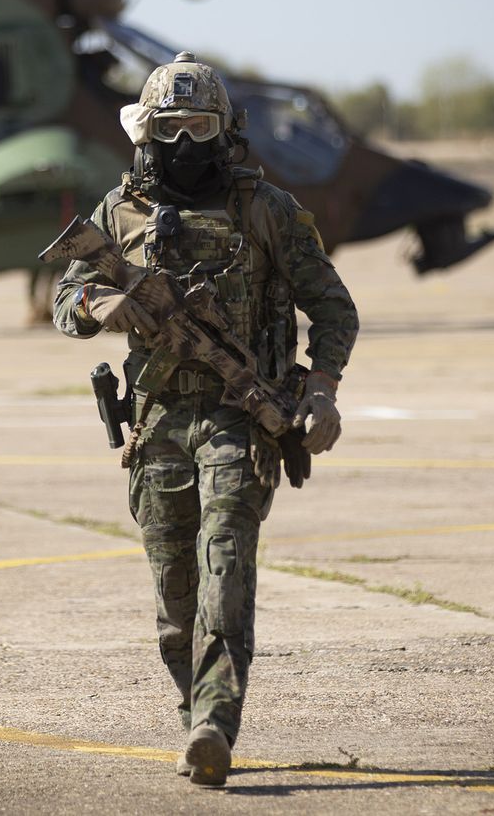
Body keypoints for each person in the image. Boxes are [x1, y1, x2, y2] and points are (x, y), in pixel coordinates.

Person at [52, 52, 358, 788]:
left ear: (227, 132)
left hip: (239, 420)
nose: (185, 142)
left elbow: (333, 306)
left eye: (201, 126)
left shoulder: (266, 210)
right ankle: (198, 711)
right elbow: (68, 296)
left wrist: (320, 388)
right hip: (156, 426)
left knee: (225, 571)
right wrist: (103, 304)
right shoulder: (115, 214)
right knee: (173, 607)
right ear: (144, 135)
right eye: (170, 127)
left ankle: (215, 726)